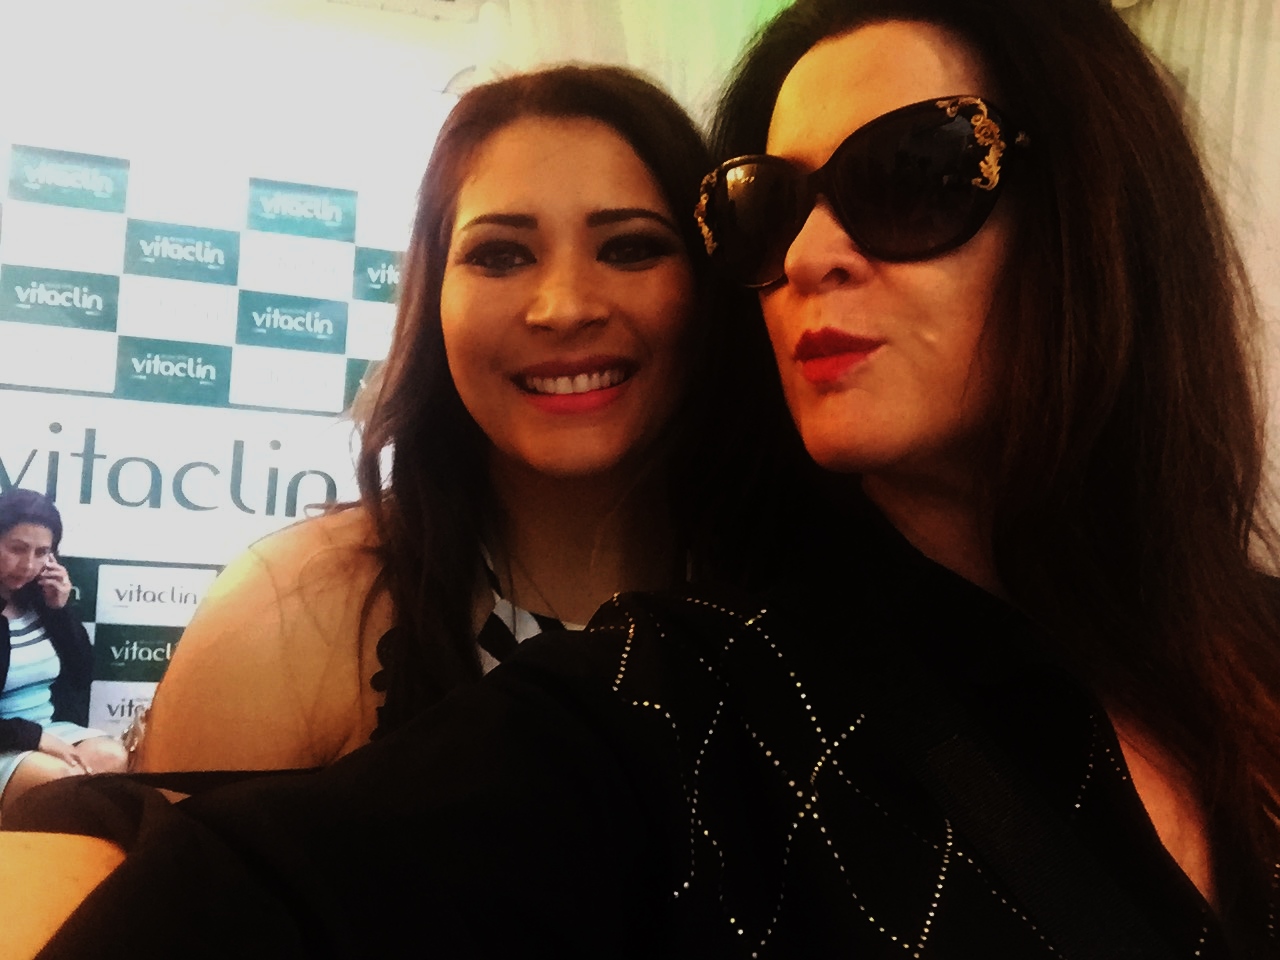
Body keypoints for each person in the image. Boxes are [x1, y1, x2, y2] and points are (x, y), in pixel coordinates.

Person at [5, 0, 1279, 956]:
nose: (811, 253)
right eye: (768, 208)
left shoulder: (1211, 636)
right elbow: (185, 876)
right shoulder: (677, 690)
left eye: (912, 174)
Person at [128, 63, 797, 774]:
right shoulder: (285, 614)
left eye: (630, 248)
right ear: (433, 299)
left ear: (709, 283)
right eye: (501, 255)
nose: (565, 307)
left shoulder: (820, 611)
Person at [0, 490, 127, 821]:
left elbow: (81, 675)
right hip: (8, 738)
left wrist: (60, 610)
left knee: (111, 758)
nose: (29, 565)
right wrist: (34, 737)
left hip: (46, 729)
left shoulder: (37, 599)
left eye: (42, 552)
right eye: (17, 548)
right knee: (60, 782)